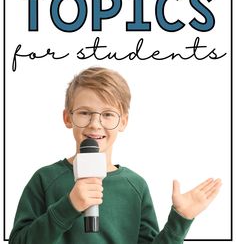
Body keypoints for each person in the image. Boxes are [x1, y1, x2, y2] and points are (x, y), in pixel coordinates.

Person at [9, 67, 221, 244]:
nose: (95, 124)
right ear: (67, 117)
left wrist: (181, 219)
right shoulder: (44, 179)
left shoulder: (135, 186)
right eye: (84, 112)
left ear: (123, 122)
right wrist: (69, 206)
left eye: (108, 114)